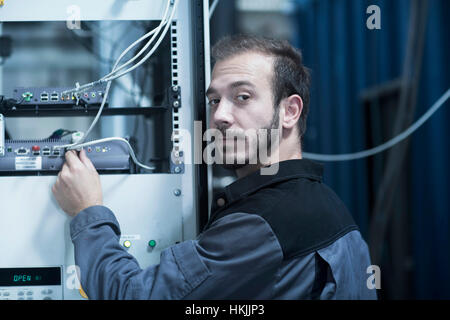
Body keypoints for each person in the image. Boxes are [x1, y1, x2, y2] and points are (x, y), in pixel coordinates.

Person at [52, 34, 377, 299]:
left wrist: (87, 211)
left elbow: (131, 295)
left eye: (243, 97)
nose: (219, 115)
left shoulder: (264, 224)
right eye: (214, 100)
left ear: (290, 111)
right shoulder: (323, 204)